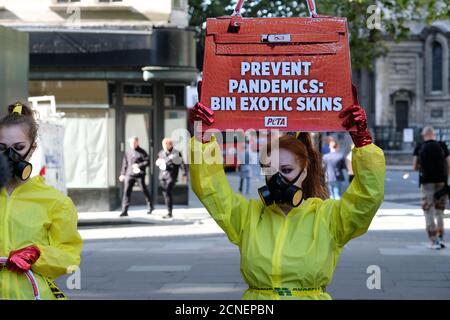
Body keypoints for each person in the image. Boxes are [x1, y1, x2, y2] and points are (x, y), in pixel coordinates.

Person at [189, 84, 385, 300]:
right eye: (270, 171)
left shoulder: (328, 218)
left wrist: (363, 142)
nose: (278, 179)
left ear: (304, 171)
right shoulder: (247, 216)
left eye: (286, 170)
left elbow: (368, 197)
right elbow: (210, 188)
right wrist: (202, 139)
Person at [0, 102, 83, 300]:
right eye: (2, 147)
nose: (10, 155)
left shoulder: (55, 202)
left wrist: (36, 255)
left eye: (19, 147)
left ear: (32, 148)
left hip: (33, 294)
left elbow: (69, 256)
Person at [413, 126, 450, 249]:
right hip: (441, 182)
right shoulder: (442, 145)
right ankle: (441, 238)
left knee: (428, 211)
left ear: (424, 135)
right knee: (439, 211)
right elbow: (449, 164)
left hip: (426, 182)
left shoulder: (420, 147)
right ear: (433, 134)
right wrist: (445, 178)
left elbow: (414, 166)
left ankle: (433, 240)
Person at [119, 136, 153, 217]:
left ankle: (150, 206)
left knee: (144, 189)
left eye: (134, 142)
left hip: (139, 175)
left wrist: (139, 165)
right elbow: (125, 164)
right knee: (126, 192)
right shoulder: (128, 152)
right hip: (129, 174)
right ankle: (124, 210)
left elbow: (148, 162)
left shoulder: (142, 152)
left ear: (137, 142)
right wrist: (122, 174)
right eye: (131, 143)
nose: (133, 144)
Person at [156, 138, 187, 219]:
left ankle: (169, 212)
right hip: (162, 175)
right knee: (165, 194)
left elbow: (182, 164)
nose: (165, 147)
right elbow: (158, 161)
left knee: (168, 192)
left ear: (171, 145)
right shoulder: (161, 153)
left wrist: (184, 174)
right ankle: (169, 211)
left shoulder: (176, 153)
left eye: (167, 145)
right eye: (164, 145)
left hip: (172, 175)